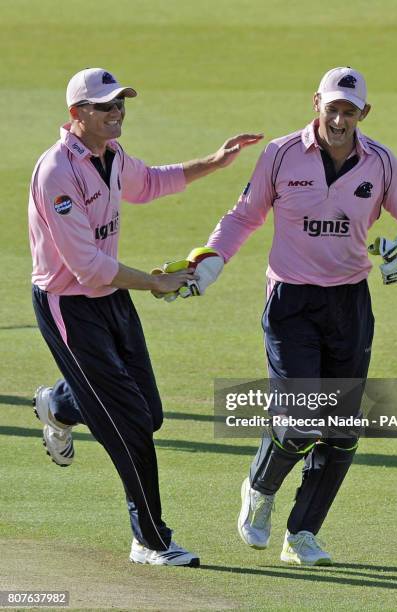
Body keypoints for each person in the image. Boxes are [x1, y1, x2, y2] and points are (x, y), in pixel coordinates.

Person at [28, 67, 262, 567]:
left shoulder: (110, 157)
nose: (118, 113)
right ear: (77, 115)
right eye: (106, 106)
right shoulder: (57, 173)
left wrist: (215, 163)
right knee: (130, 423)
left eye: (120, 104)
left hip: (109, 294)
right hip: (68, 304)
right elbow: (86, 267)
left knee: (149, 413)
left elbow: (152, 182)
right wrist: (155, 281)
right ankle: (150, 540)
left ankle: (61, 405)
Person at [204, 66, 397, 566]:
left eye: (349, 110)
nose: (339, 118)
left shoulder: (382, 164)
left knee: (343, 427)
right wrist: (214, 259)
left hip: (349, 303)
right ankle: (259, 489)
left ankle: (302, 534)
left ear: (363, 114)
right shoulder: (281, 154)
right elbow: (244, 215)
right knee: (303, 417)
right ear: (316, 104)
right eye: (332, 107)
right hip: (291, 301)